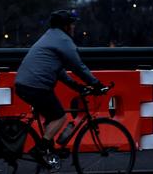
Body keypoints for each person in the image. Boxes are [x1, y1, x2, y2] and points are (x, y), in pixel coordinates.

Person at [14, 9, 105, 162]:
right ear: (65, 26)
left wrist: (77, 87)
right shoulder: (63, 41)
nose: (74, 27)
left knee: (51, 117)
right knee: (60, 117)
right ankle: (40, 149)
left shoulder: (50, 36)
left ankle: (49, 154)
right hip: (36, 86)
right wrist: (96, 84)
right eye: (72, 24)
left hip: (24, 84)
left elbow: (60, 72)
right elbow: (78, 66)